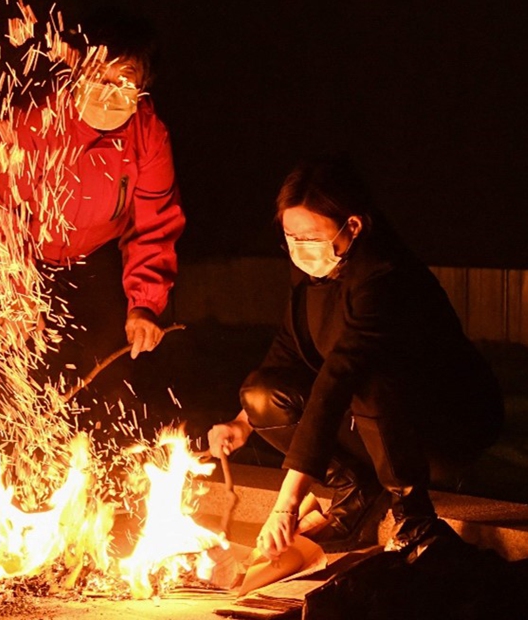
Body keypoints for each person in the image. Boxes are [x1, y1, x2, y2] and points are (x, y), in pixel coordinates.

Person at [208, 157, 503, 556]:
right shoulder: (315, 273)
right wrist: (243, 423)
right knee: (261, 393)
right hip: (373, 420)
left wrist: (286, 504)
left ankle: (414, 517)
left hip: (440, 428)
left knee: (366, 376)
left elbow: (340, 376)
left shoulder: (385, 277)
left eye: (310, 236)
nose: (300, 248)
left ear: (353, 225)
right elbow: (289, 349)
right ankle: (356, 489)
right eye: (291, 236)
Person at [0, 8, 186, 395]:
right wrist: (15, 293)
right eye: (98, 76)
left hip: (95, 258)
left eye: (123, 81)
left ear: (143, 87)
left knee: (101, 369)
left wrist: (144, 303)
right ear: (76, 72)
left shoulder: (149, 136)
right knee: (2, 358)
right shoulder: (33, 122)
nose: (109, 93)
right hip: (22, 257)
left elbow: (154, 224)